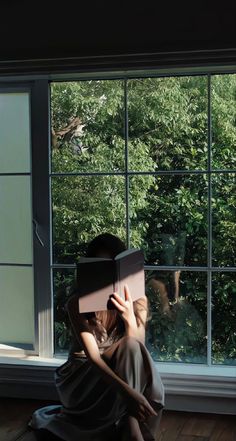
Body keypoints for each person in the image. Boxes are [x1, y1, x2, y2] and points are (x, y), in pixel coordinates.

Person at [29, 233, 164, 441]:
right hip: (83, 378)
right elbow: (93, 358)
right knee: (126, 353)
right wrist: (130, 394)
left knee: (131, 346)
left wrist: (128, 318)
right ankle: (131, 424)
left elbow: (138, 349)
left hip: (122, 372)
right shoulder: (77, 303)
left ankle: (130, 423)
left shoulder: (139, 301)